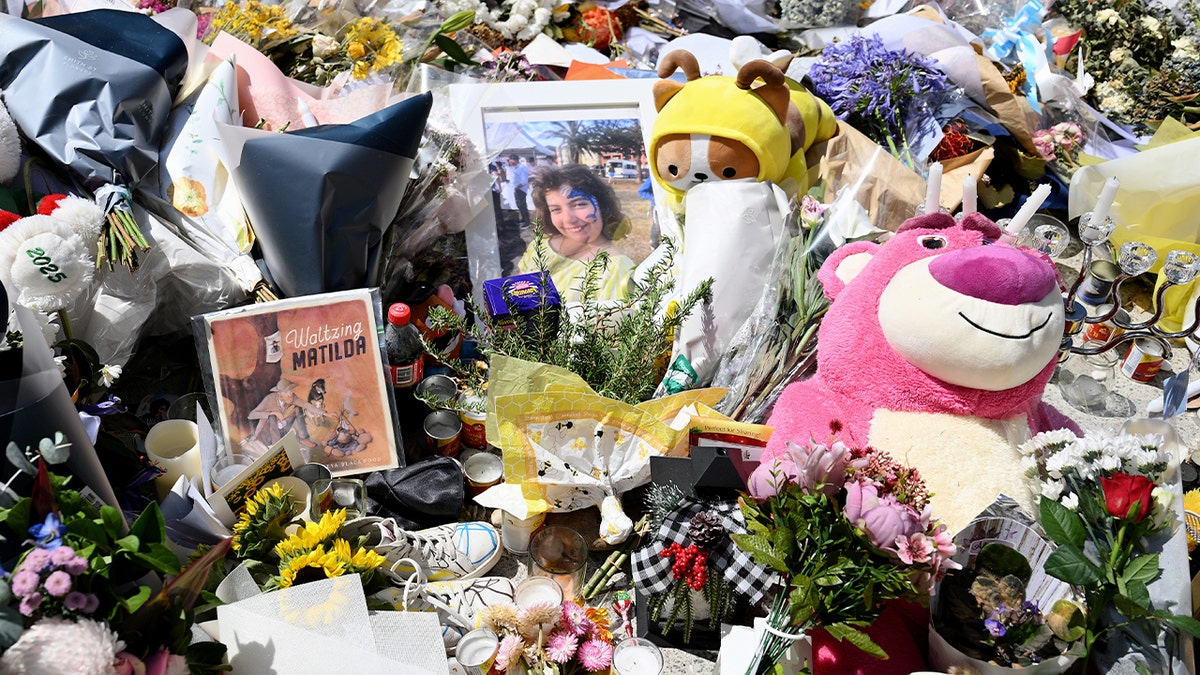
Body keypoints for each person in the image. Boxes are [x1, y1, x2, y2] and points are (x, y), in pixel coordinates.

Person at [517, 163, 636, 302]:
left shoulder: (617, 271)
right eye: (555, 209)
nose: (568, 219)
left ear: (602, 206)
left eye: (579, 204)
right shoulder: (540, 248)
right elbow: (518, 300)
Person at [507, 154, 530, 227]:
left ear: (515, 160)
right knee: (519, 205)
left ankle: (527, 222)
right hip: (516, 189)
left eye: (510, 160)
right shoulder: (515, 168)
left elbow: (524, 181)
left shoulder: (521, 168)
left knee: (522, 205)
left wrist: (517, 187)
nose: (509, 162)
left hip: (520, 189)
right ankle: (523, 218)